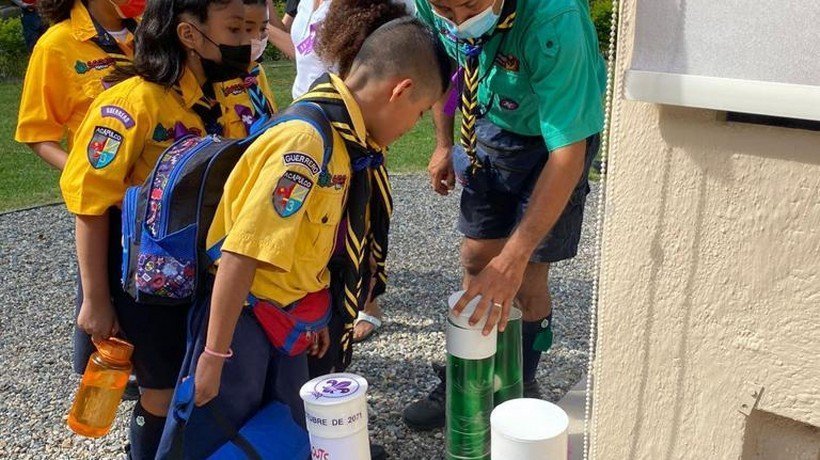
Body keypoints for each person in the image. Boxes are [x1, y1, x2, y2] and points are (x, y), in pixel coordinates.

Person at [155, 17, 451, 459]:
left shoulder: (345, 141)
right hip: (242, 327)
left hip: (286, 323)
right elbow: (240, 254)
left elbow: (307, 248)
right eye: (419, 113)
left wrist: (311, 317)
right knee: (224, 439)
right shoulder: (306, 144)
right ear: (401, 90)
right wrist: (214, 356)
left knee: (281, 432)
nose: (413, 125)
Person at [59, 0, 252, 455]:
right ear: (189, 35)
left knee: (196, 380)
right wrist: (95, 301)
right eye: (236, 29)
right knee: (160, 391)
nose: (246, 42)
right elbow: (90, 207)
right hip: (142, 278)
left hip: (200, 270)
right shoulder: (131, 104)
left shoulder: (221, 96)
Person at [402, 0, 606, 430]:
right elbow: (448, 73)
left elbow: (567, 152)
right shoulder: (432, 5)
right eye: (445, 8)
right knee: (477, 261)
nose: (458, 20)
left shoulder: (555, 22)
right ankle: (469, 377)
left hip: (558, 138)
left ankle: (519, 382)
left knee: (525, 275)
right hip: (493, 122)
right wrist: (443, 144)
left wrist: (514, 256)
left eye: (472, 5)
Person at [15, 0, 140, 170]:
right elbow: (37, 134)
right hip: (106, 190)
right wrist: (84, 176)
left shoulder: (154, 32)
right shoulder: (55, 45)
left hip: (167, 184)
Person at [213, 0, 278, 136]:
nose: (257, 37)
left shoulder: (256, 71)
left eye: (263, 29)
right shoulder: (215, 78)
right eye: (247, 29)